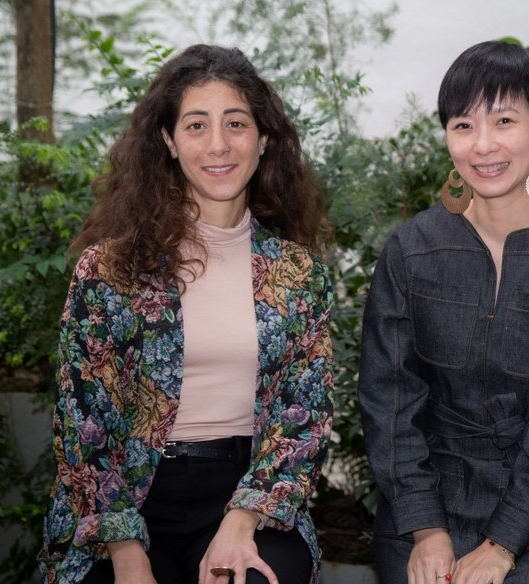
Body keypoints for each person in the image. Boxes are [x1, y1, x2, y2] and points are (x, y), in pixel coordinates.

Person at [38, 44, 334, 584]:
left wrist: (241, 521)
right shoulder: (107, 270)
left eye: (236, 123)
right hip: (122, 505)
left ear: (263, 140)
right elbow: (84, 427)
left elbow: (304, 417)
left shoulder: (299, 274)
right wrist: (127, 554)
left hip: (248, 495)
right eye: (196, 125)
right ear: (169, 142)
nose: (218, 144)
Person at [358, 40, 529, 584]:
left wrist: (503, 543)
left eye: (504, 120)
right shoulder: (411, 250)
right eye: (463, 125)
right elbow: (389, 398)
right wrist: (425, 528)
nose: (483, 145)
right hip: (423, 500)